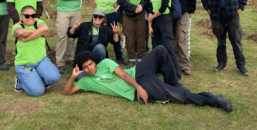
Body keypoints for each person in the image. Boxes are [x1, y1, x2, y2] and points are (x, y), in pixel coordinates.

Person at [62, 46, 233, 113]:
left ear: (94, 61)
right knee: (175, 96)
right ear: (82, 69)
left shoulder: (105, 63)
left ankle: (172, 81)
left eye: (90, 64)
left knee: (159, 50)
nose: (89, 68)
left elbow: (124, 75)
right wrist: (73, 77)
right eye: (85, 67)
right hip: (138, 87)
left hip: (138, 74)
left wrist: (139, 87)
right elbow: (67, 92)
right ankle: (213, 99)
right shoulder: (86, 82)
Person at [201, 0, 249, 76]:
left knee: (236, 40)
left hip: (233, 14)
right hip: (217, 14)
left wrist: (239, 10)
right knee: (221, 40)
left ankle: (241, 66)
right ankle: (222, 63)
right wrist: (208, 10)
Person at [85, 0, 127, 65]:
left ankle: (119, 56)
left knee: (114, 32)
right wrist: (91, 2)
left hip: (111, 12)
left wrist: (118, 2)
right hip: (98, 13)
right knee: (94, 35)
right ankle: (92, 57)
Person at [13, 6, 61, 96]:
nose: (30, 18)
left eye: (33, 15)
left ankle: (38, 78)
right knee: (38, 91)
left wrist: (27, 38)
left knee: (54, 77)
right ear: (21, 16)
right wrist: (39, 32)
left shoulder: (38, 22)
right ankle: (19, 82)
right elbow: (19, 33)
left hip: (41, 60)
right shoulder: (17, 26)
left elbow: (45, 28)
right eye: (27, 16)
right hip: (24, 64)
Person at [164, 0, 197, 75]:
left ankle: (185, 65)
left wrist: (187, 11)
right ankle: (173, 62)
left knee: (181, 38)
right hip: (169, 13)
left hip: (182, 14)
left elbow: (192, 1)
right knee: (171, 38)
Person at [117, 0, 154, 68]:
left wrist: (142, 6)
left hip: (141, 14)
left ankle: (142, 58)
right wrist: (133, 7)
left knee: (141, 37)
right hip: (128, 14)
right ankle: (132, 59)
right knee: (130, 38)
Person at [53, 0, 86, 74]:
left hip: (76, 11)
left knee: (72, 36)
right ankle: (60, 63)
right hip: (63, 12)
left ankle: (69, 58)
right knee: (62, 36)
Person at [67, 9, 120, 80]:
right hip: (83, 58)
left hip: (97, 58)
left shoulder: (106, 30)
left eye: (100, 17)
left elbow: (115, 41)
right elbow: (70, 34)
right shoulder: (83, 26)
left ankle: (100, 70)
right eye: (95, 16)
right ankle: (94, 74)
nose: (97, 18)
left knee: (100, 47)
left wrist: (115, 33)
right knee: (78, 78)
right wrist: (74, 28)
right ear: (92, 17)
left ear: (103, 18)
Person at [148, 0, 182, 81]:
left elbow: (163, 8)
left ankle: (177, 74)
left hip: (164, 20)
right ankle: (158, 70)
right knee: (156, 47)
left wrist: (152, 17)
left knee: (168, 47)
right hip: (154, 22)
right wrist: (149, 26)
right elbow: (150, 10)